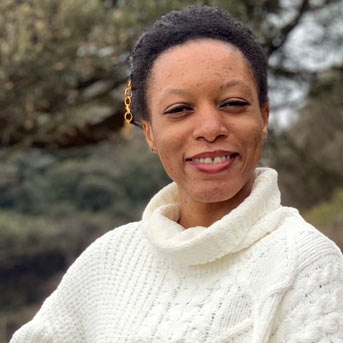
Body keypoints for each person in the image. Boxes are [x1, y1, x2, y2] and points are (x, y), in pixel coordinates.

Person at [11, 5, 343, 343]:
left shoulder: (306, 264)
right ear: (151, 133)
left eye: (232, 103)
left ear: (264, 117)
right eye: (180, 110)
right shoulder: (108, 262)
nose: (210, 128)